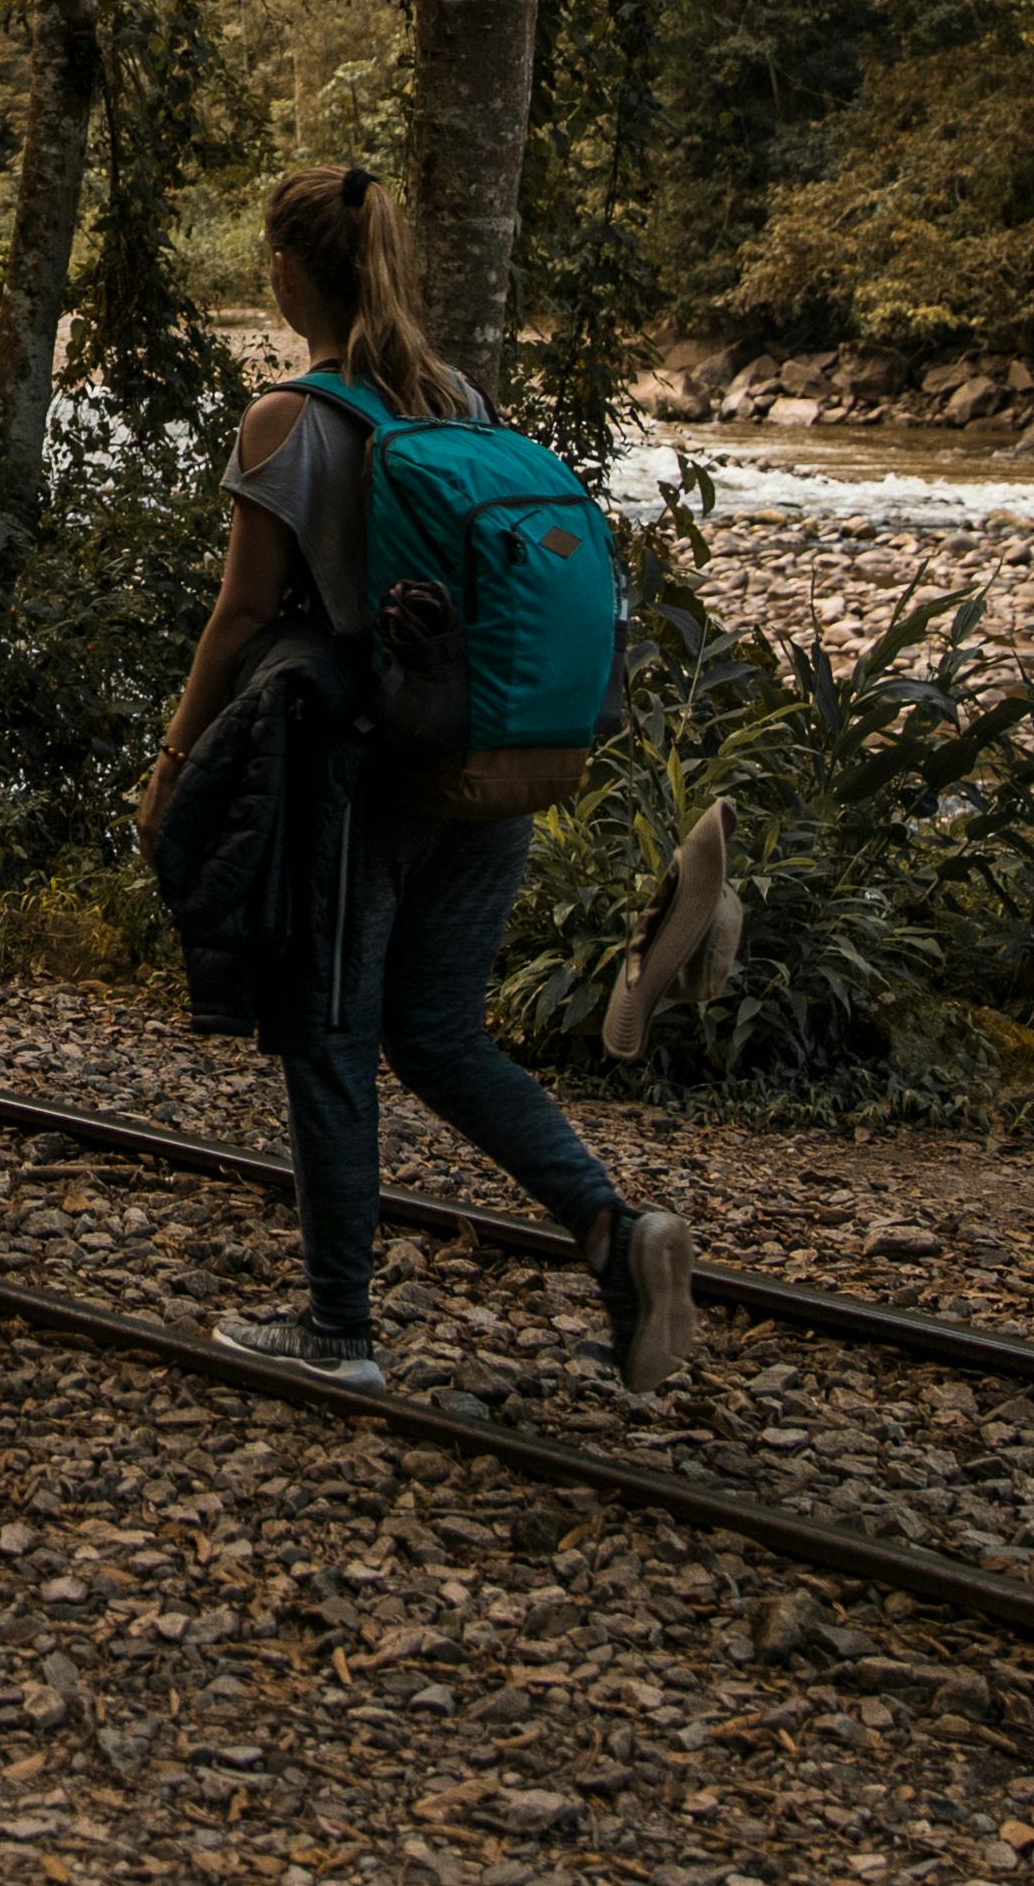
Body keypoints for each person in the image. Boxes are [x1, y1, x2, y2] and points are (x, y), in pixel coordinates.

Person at [137, 165, 697, 1398]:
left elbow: (240, 617)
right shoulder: (458, 396)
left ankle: (339, 1328)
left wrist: (174, 762)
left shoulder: (289, 417)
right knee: (437, 1030)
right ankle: (614, 1234)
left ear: (288, 272)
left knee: (331, 1038)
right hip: (481, 758)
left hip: (357, 773)